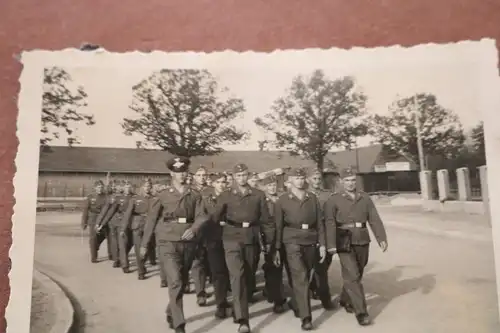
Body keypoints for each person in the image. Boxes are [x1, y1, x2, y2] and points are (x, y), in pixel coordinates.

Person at [200, 163, 272, 333]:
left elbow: (266, 221)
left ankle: (238, 307)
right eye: (238, 176)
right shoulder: (226, 195)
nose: (241, 178)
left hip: (251, 238)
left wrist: (268, 242)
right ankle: (243, 319)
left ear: (248, 176)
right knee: (237, 275)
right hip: (231, 238)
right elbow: (214, 217)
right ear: (233, 177)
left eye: (244, 175)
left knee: (248, 275)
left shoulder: (258, 194)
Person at [139, 157, 206, 333]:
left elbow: (202, 215)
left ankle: (171, 311)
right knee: (175, 281)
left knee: (182, 282)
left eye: (184, 171)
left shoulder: (195, 195)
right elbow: (152, 219)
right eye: (178, 172)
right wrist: (144, 244)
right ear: (171, 173)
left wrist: (194, 228)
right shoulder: (163, 195)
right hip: (167, 241)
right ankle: (179, 324)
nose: (182, 175)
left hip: (188, 240)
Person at [323, 167, 388, 326]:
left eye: (352, 180)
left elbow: (374, 219)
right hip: (344, 240)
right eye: (347, 180)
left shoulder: (364, 198)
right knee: (352, 275)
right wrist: (330, 244)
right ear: (341, 182)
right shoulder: (334, 199)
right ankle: (362, 312)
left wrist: (381, 238)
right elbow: (329, 222)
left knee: (357, 272)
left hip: (362, 238)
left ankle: (346, 299)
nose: (350, 183)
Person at [274, 168, 327, 331]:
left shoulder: (312, 198)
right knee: (300, 276)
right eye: (297, 178)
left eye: (302, 177)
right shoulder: (282, 200)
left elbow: (319, 223)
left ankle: (296, 302)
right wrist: (277, 248)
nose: (300, 180)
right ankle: (306, 317)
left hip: (310, 240)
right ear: (290, 180)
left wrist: (323, 244)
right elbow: (278, 226)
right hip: (291, 241)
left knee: (307, 275)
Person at [198, 172, 232, 318]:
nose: (221, 185)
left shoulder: (233, 197)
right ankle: (221, 304)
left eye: (224, 182)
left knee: (233, 271)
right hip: (213, 239)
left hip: (232, 238)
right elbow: (204, 218)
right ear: (213, 184)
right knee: (218, 272)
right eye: (218, 182)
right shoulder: (206, 200)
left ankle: (236, 301)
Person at [307, 169, 335, 309]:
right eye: (314, 178)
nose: (317, 181)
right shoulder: (305, 194)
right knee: (318, 266)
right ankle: (325, 296)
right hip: (311, 232)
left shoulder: (328, 194)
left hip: (326, 231)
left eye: (318, 179)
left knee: (325, 263)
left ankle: (314, 284)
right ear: (308, 180)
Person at [259, 175, 287, 313]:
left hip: (284, 237)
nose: (272, 187)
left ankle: (271, 291)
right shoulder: (263, 201)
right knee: (274, 268)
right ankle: (278, 300)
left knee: (277, 268)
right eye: (269, 185)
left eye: (274, 185)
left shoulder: (282, 199)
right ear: (264, 187)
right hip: (270, 238)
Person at [122, 179, 157, 280]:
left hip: (150, 226)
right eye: (145, 186)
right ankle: (141, 271)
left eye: (149, 186)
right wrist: (123, 228)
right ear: (141, 187)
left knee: (149, 247)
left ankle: (142, 264)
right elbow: (128, 214)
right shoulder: (135, 198)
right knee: (138, 249)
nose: (147, 188)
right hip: (137, 225)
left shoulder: (155, 199)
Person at [97, 181, 135, 274]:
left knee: (129, 243)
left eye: (129, 187)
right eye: (126, 187)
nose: (127, 189)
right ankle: (125, 265)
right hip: (119, 223)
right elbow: (111, 212)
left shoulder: (135, 197)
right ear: (123, 188)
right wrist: (101, 224)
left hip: (132, 223)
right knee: (121, 243)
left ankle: (118, 259)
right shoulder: (119, 198)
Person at [189, 165, 210, 305]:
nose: (202, 178)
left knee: (211, 260)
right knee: (197, 261)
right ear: (194, 177)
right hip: (196, 230)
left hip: (211, 230)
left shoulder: (212, 190)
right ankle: (200, 292)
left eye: (204, 175)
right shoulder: (189, 192)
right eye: (199, 175)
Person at [81, 180, 109, 263]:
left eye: (101, 187)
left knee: (104, 235)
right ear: (95, 188)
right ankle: (94, 257)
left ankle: (95, 246)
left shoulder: (106, 197)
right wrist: (84, 222)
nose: (100, 189)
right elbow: (85, 210)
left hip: (103, 218)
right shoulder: (90, 197)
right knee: (93, 238)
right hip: (93, 219)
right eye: (98, 187)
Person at [95, 181, 121, 268]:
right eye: (113, 186)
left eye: (116, 186)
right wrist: (99, 223)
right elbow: (106, 212)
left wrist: (100, 224)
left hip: (124, 222)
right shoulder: (110, 198)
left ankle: (117, 257)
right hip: (113, 222)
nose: (114, 188)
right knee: (115, 241)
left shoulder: (121, 196)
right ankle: (117, 259)